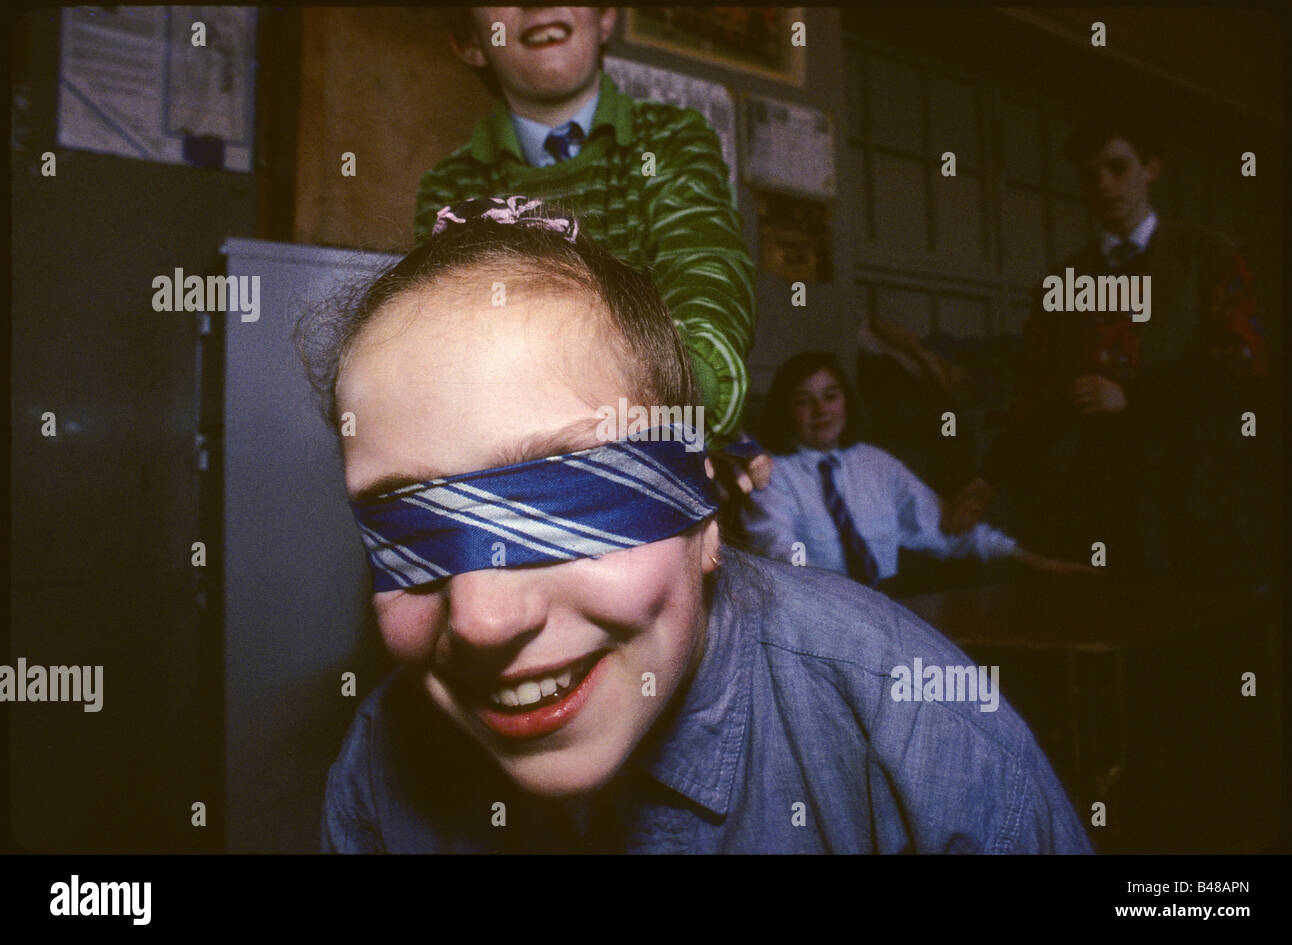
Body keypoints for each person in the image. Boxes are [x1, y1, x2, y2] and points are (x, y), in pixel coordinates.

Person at [304, 197, 1091, 853]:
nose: (480, 618)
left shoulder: (912, 732)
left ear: (707, 515)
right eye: (411, 532)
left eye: (567, 500)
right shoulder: (380, 772)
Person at [948, 113, 1275, 582]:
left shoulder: (1207, 256)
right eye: (1090, 174)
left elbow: (1240, 365)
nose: (1104, 184)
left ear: (1152, 169)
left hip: (1197, 483)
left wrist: (1135, 397)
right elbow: (1037, 389)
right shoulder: (1066, 280)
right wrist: (990, 475)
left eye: (1118, 168)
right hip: (1101, 495)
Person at [414, 7, 755, 451]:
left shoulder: (672, 139)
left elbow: (707, 274)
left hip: (664, 436)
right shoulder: (450, 186)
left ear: (607, 17)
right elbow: (453, 352)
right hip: (513, 456)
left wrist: (687, 397)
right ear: (471, 44)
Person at [741, 352, 1092, 593]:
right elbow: (777, 551)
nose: (821, 410)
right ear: (786, 411)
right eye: (804, 401)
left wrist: (1036, 561)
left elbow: (948, 529)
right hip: (817, 617)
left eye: (831, 396)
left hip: (889, 610)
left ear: (846, 400)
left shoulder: (877, 464)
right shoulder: (772, 473)